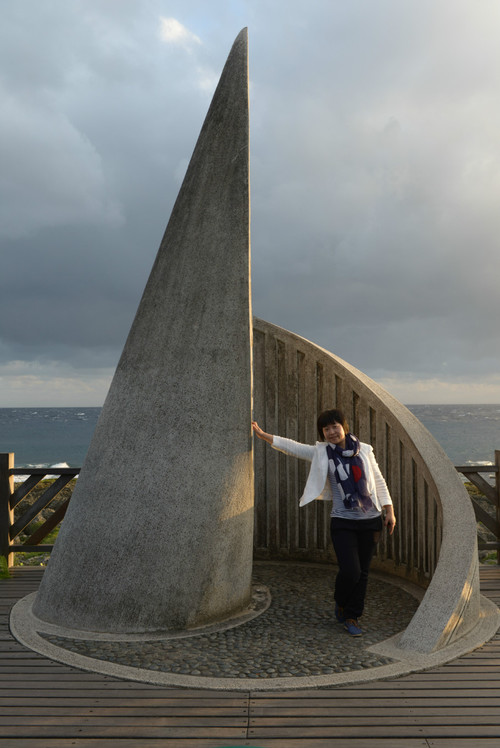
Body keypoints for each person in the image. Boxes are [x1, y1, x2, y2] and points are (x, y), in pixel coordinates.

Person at [252, 408, 396, 637]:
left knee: (363, 573)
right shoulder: (322, 453)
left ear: (344, 427)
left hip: (371, 520)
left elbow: (378, 480)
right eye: (326, 429)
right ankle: (340, 600)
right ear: (322, 432)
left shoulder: (365, 450)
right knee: (351, 571)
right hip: (342, 521)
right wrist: (264, 435)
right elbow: (294, 448)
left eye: (334, 427)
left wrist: (389, 510)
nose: (331, 432)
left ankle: (352, 616)